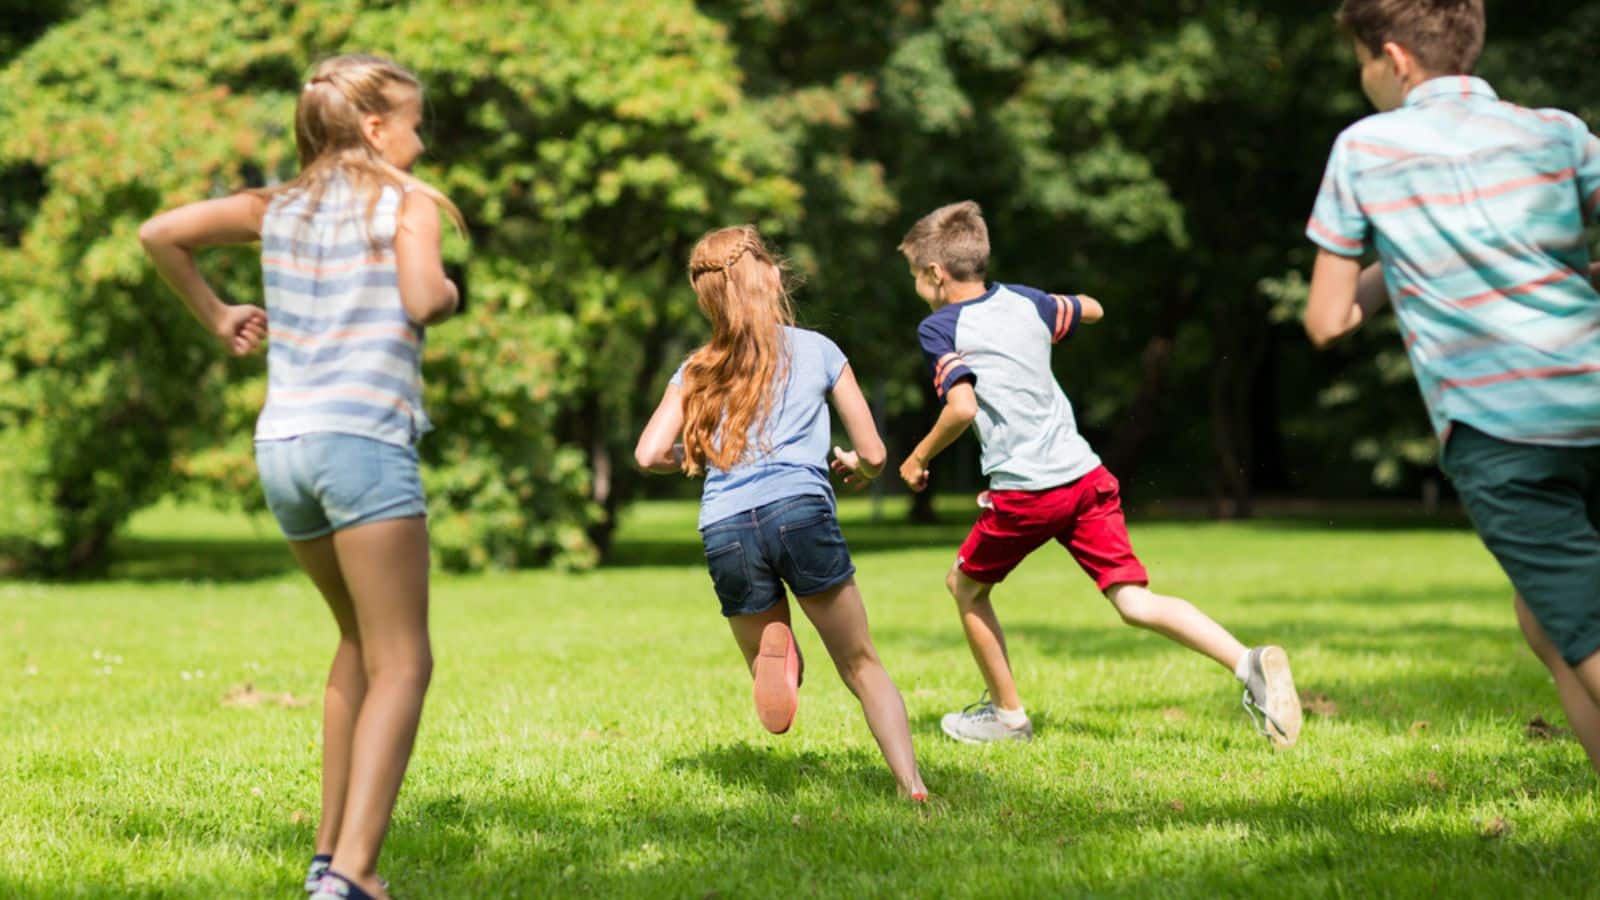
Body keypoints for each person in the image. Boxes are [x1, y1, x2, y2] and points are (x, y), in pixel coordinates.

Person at [140, 53, 463, 900]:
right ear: (373, 128)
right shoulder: (405, 202)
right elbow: (423, 299)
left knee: (358, 642)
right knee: (404, 661)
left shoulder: (275, 206)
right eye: (413, 123)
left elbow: (158, 233)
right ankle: (354, 877)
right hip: (362, 440)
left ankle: (328, 859)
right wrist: (451, 289)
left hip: (284, 445)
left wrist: (216, 314)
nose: (420, 142)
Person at [1303, 0, 1600, 774]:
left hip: (1505, 428)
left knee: (1589, 629)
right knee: (1546, 623)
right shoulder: (1555, 132)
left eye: (1362, 62)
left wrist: (1410, 264)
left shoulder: (1366, 148)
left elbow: (1329, 319)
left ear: (1394, 59)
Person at [896, 200, 1301, 747]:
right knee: (1135, 602)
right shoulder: (1026, 302)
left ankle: (1008, 718)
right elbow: (1092, 309)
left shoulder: (939, 327)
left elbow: (962, 407)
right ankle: (1246, 662)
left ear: (935, 273)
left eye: (916, 278)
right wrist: (1056, 310)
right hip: (1086, 478)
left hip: (1028, 490)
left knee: (964, 589)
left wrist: (918, 458)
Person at [634, 225, 927, 799]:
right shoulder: (817, 349)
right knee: (861, 662)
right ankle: (911, 784)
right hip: (799, 509)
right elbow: (873, 452)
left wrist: (696, 454)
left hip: (725, 526)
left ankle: (781, 661)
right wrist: (858, 469)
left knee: (772, 660)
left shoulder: (698, 367)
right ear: (769, 277)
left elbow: (647, 453)